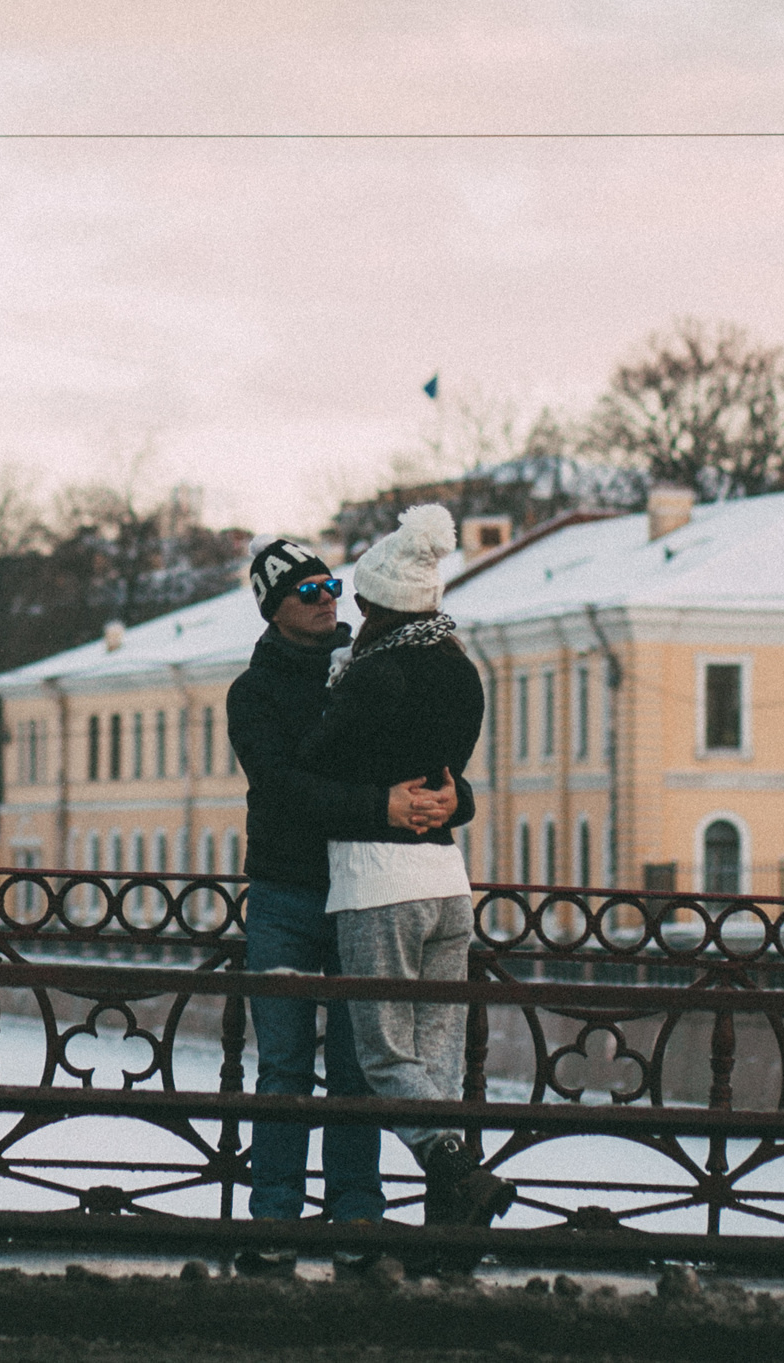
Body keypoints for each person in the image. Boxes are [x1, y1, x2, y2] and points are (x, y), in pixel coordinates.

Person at [226, 535, 453, 1272]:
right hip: (288, 895)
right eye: (307, 590)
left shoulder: (375, 667)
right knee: (286, 1066)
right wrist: (381, 807)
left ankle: (357, 1222)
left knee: (357, 1069)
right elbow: (285, 791)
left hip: (366, 894)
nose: (328, 598)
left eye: (330, 584)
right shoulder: (253, 693)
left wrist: (459, 799)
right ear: (273, 608)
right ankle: (273, 1226)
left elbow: (435, 758)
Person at [299, 504, 512, 1238]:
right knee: (439, 1066)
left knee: (387, 1057)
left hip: (378, 886)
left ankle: (455, 1169)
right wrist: (454, 804)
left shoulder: (370, 677)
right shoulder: (464, 673)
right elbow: (448, 783)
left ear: (377, 604)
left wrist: (331, 691)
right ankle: (450, 1233)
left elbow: (313, 773)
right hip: (449, 886)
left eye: (359, 603)